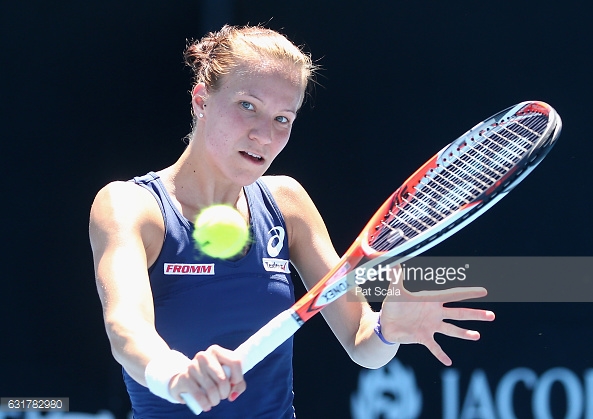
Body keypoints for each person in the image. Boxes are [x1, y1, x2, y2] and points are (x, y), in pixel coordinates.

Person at [89, 24, 495, 418]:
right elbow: (126, 329)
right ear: (202, 100)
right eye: (248, 106)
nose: (265, 135)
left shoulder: (287, 202)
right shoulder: (130, 206)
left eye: (283, 118)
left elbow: (361, 342)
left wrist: (388, 331)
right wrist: (175, 374)